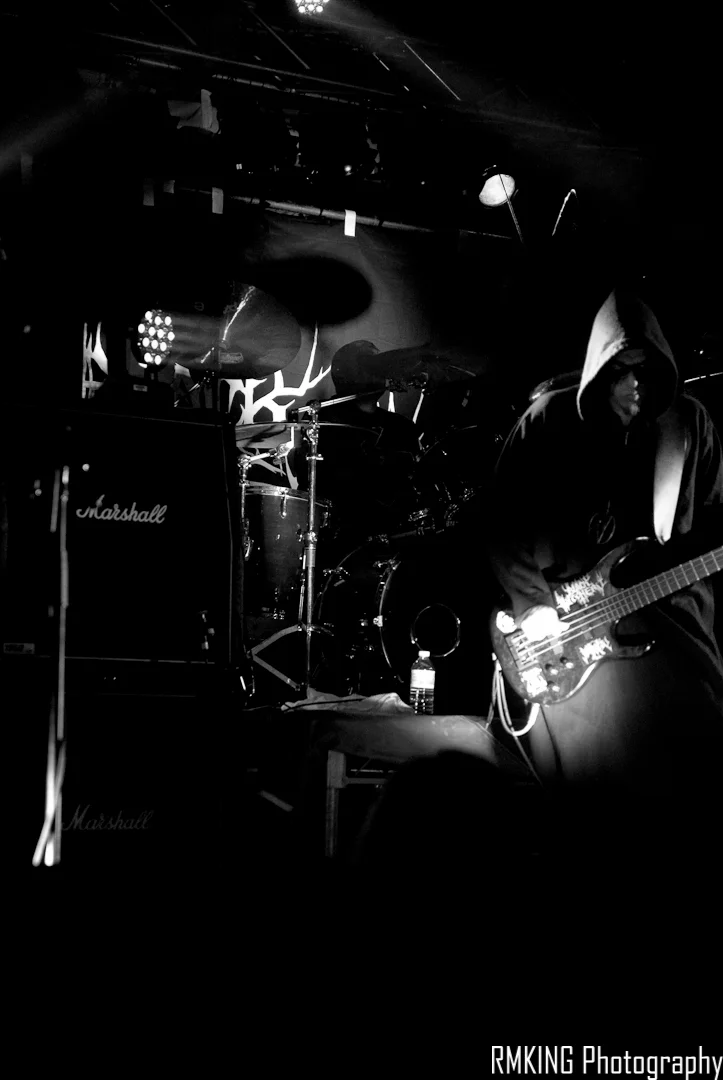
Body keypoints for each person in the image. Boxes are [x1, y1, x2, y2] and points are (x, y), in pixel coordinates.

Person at [488, 288, 723, 813]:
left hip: (674, 638)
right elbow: (501, 525)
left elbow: (711, 525)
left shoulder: (689, 425)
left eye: (647, 371)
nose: (636, 386)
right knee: (592, 808)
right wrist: (533, 603)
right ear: (599, 371)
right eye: (621, 371)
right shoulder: (548, 421)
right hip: (570, 652)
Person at [312, 340, 421, 545]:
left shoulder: (401, 427)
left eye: (380, 364)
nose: (379, 370)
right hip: (342, 537)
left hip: (398, 536)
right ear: (344, 374)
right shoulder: (322, 420)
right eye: (369, 365)